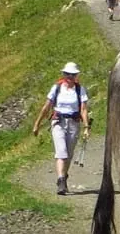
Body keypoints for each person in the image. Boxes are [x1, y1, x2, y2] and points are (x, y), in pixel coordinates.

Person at [30, 62, 92, 196]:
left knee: (68, 154)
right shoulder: (56, 88)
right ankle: (61, 181)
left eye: (73, 74)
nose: (70, 76)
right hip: (58, 122)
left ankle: (63, 176)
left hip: (74, 123)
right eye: (67, 74)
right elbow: (46, 107)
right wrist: (37, 124)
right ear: (63, 74)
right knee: (62, 152)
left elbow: (84, 109)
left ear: (76, 75)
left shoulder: (80, 90)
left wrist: (86, 127)